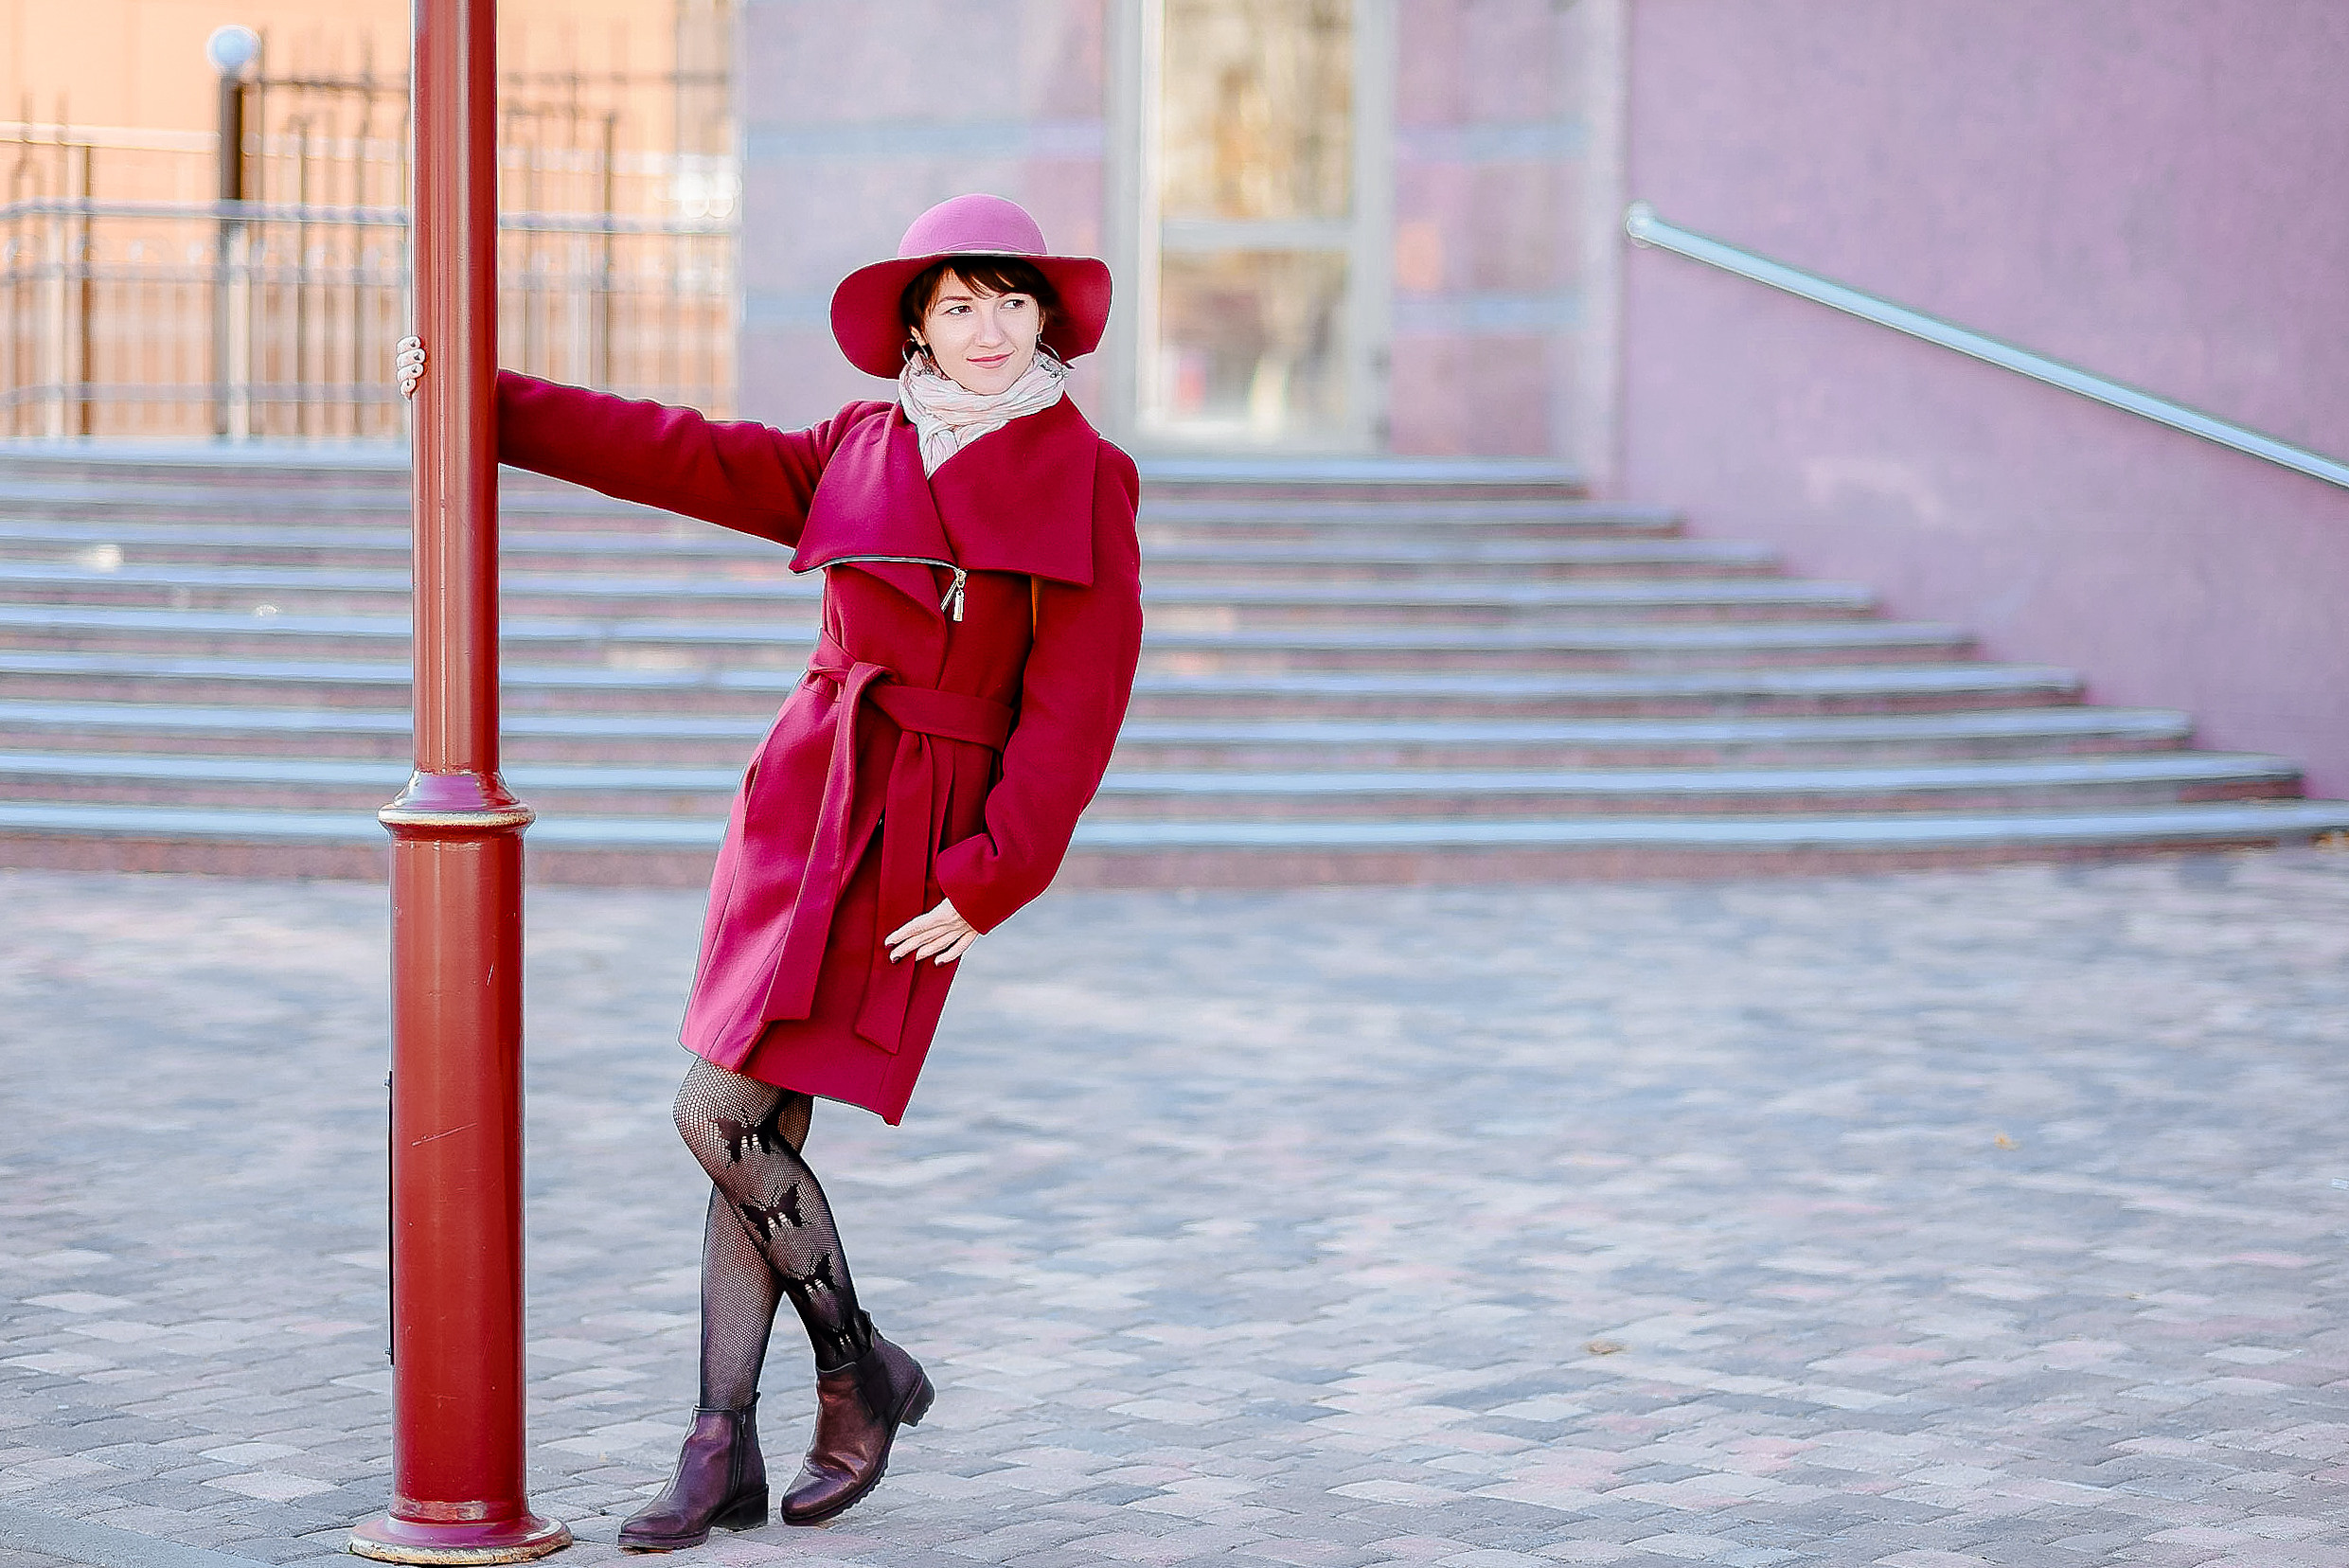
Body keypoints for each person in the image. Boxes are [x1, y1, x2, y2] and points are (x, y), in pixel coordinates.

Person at [396, 192, 1143, 1545]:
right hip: (804, 812)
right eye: (960, 305)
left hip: (920, 841)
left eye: (1012, 303)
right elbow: (677, 452)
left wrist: (992, 875)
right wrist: (478, 397)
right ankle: (729, 1438)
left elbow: (1079, 700)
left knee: (716, 1114)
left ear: (1047, 320)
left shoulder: (1084, 471)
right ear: (917, 323)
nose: (988, 330)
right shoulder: (858, 442)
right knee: (754, 1128)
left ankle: (853, 1374)